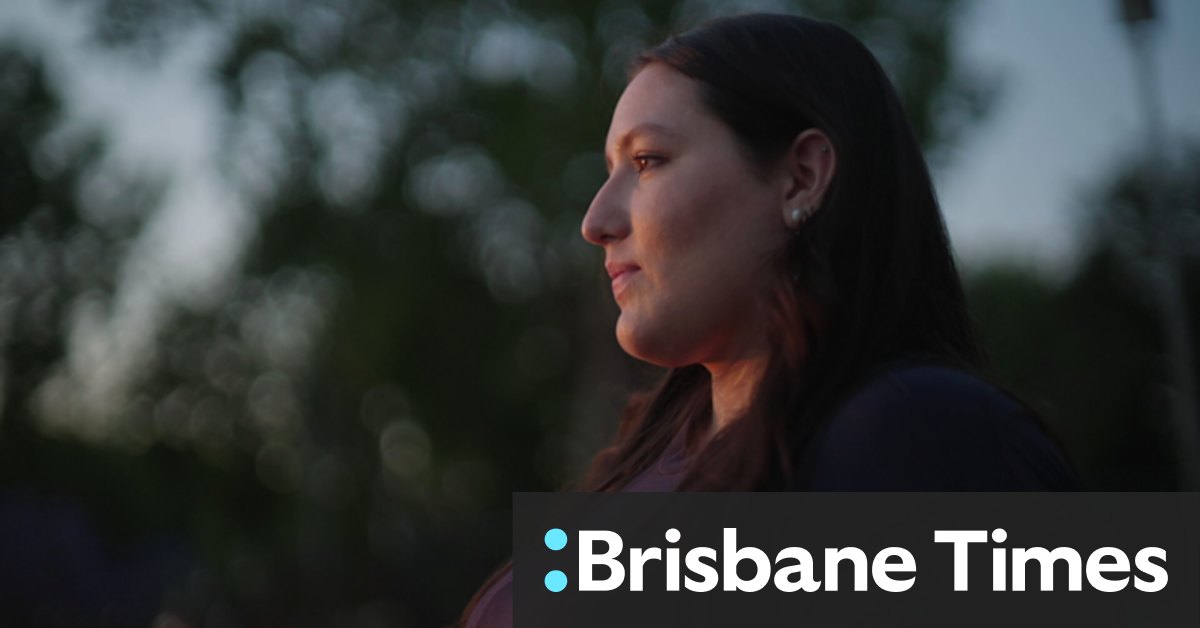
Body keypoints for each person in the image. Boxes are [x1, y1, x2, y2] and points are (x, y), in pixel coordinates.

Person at [459, 12, 1080, 627]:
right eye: (609, 172)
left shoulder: (918, 441)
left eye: (647, 161)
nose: (596, 222)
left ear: (801, 178)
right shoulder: (648, 461)